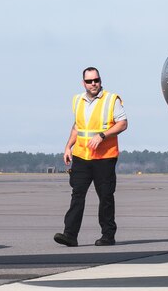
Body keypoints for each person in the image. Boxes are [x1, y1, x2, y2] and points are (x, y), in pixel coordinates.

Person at [54, 67, 126, 247]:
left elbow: (123, 124)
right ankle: (69, 235)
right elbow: (77, 127)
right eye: (89, 81)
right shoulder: (77, 100)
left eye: (96, 80)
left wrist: (102, 135)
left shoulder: (111, 100)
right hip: (81, 157)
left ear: (100, 80)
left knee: (105, 197)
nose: (93, 84)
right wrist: (68, 146)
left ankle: (108, 236)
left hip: (104, 158)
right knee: (77, 195)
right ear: (83, 83)